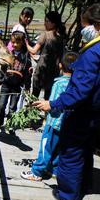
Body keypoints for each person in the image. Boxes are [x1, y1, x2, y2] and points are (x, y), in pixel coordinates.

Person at [32, 3, 100, 200]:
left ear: (96, 25)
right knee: (85, 151)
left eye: (84, 24)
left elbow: (80, 90)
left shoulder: (92, 54)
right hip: (96, 113)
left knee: (70, 152)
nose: (82, 28)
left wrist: (53, 104)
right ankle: (84, 185)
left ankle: (68, 195)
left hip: (83, 112)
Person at [21, 52, 79, 181]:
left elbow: (52, 105)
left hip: (53, 123)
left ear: (60, 66)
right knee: (58, 149)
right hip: (66, 124)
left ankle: (37, 172)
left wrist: (43, 109)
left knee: (45, 148)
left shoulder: (59, 84)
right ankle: (54, 170)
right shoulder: (76, 85)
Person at [0, 31, 32, 133]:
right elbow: (3, 68)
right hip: (6, 84)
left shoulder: (26, 58)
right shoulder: (8, 54)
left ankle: (10, 125)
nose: (14, 44)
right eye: (13, 42)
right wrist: (0, 80)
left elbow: (28, 74)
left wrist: (27, 87)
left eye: (17, 42)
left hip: (17, 86)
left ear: (22, 43)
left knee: (12, 107)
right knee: (1, 105)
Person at [26, 11, 66, 100]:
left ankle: (31, 113)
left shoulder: (45, 35)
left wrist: (26, 43)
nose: (44, 23)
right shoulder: (61, 37)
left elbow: (33, 51)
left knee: (34, 96)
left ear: (53, 23)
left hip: (42, 70)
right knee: (48, 98)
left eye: (47, 21)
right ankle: (46, 114)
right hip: (53, 72)